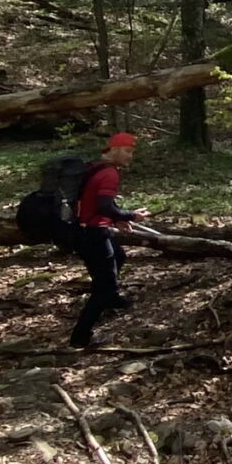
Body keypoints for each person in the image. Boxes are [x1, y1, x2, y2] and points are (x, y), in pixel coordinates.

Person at [68, 131, 145, 348]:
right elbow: (104, 207)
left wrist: (116, 219)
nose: (130, 156)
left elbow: (95, 203)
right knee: (103, 287)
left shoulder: (94, 167)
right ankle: (80, 337)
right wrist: (130, 216)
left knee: (119, 256)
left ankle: (111, 298)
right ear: (114, 150)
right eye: (127, 151)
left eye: (132, 152)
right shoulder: (109, 173)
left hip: (85, 230)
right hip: (94, 235)